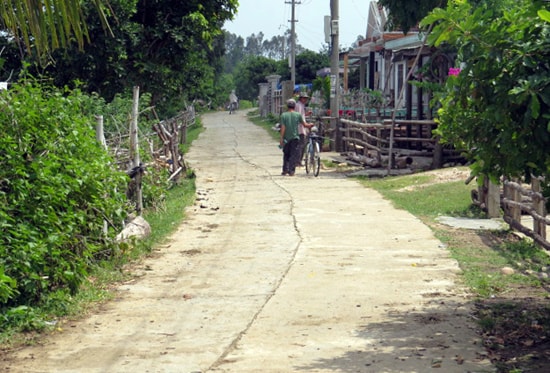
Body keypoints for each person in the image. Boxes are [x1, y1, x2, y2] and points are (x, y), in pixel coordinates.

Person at [279, 98, 313, 176]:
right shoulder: (298, 115)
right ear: (294, 106)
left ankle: (285, 170)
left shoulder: (284, 115)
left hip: (286, 138)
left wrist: (281, 138)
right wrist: (310, 125)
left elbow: (283, 127)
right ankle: (291, 171)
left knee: (286, 154)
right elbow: (304, 125)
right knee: (293, 154)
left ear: (287, 106)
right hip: (295, 137)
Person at [295, 92, 311, 166]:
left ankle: (298, 161)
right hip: (300, 128)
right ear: (301, 98)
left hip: (301, 127)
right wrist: (306, 125)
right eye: (304, 98)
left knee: (301, 145)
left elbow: (302, 115)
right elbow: (299, 117)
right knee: (301, 145)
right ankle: (298, 161)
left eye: (306, 98)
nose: (305, 100)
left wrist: (306, 114)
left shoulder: (301, 105)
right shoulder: (299, 105)